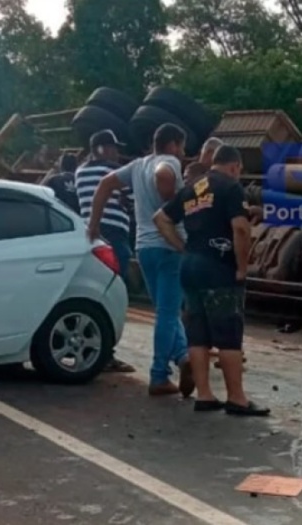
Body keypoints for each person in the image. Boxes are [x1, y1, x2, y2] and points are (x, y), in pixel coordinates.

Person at [153, 145, 270, 417]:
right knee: (229, 336)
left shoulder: (194, 186)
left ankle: (204, 395)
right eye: (238, 171)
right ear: (234, 166)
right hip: (219, 267)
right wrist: (242, 267)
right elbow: (241, 229)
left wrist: (182, 247)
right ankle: (237, 399)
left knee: (198, 335)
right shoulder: (231, 187)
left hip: (191, 266)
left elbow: (160, 219)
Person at [89, 124, 194, 398]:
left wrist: (93, 225)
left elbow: (104, 185)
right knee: (168, 313)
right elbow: (164, 174)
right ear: (172, 145)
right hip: (170, 246)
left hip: (144, 248)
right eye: (182, 147)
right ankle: (159, 375)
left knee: (164, 309)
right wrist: (170, 198)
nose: (182, 154)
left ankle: (184, 358)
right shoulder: (167, 162)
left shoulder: (136, 166)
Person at [76, 130, 135, 374]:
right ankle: (106, 353)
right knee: (114, 294)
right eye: (113, 148)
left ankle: (95, 348)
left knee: (96, 294)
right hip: (114, 235)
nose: (117, 153)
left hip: (91, 236)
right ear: (102, 149)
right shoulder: (111, 171)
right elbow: (132, 199)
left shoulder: (80, 171)